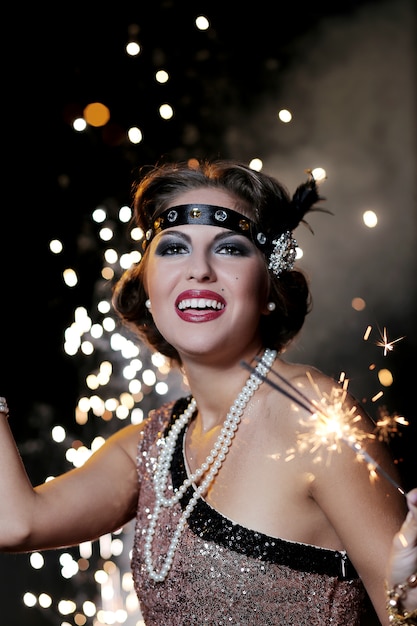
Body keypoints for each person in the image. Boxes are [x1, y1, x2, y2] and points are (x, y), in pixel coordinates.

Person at [0, 159, 416, 625]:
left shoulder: (314, 413)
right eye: (174, 248)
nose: (199, 270)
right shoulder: (150, 446)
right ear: (148, 287)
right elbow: (14, 523)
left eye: (231, 249)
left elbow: (405, 609)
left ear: (269, 290)